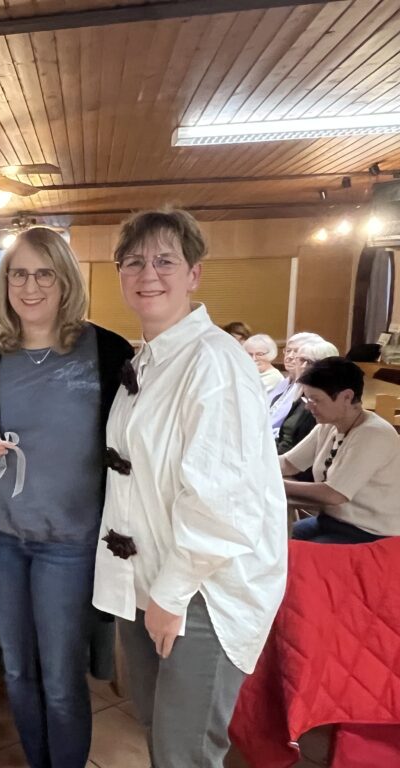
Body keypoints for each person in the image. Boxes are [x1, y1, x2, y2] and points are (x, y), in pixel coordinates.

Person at [92, 208, 287, 768]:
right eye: (134, 262)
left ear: (194, 274)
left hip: (202, 588)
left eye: (164, 261)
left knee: (185, 751)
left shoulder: (214, 362)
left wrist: (171, 595)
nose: (147, 274)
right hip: (151, 578)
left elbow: (222, 502)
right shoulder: (150, 358)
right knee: (160, 734)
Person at [0, 227, 133, 768]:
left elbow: (131, 446)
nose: (31, 286)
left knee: (61, 680)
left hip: (73, 544)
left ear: (65, 281)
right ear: (5, 283)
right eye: (19, 274)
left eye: (44, 274)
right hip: (5, 540)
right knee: (16, 671)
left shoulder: (106, 351)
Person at [280, 356, 400, 543]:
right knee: (273, 542)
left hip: (370, 534)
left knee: (289, 553)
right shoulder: (329, 425)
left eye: (315, 399)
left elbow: (334, 494)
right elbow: (289, 463)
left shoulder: (374, 433)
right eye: (307, 398)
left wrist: (277, 484)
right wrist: (251, 467)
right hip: (330, 521)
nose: (308, 406)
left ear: (347, 397)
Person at [275, 339, 339, 455]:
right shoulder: (300, 392)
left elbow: (308, 452)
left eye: (311, 362)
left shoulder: (327, 401)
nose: (304, 366)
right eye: (301, 360)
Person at [267, 331, 323, 434]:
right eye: (288, 351)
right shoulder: (284, 383)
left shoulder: (308, 390)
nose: (290, 356)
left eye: (296, 351)